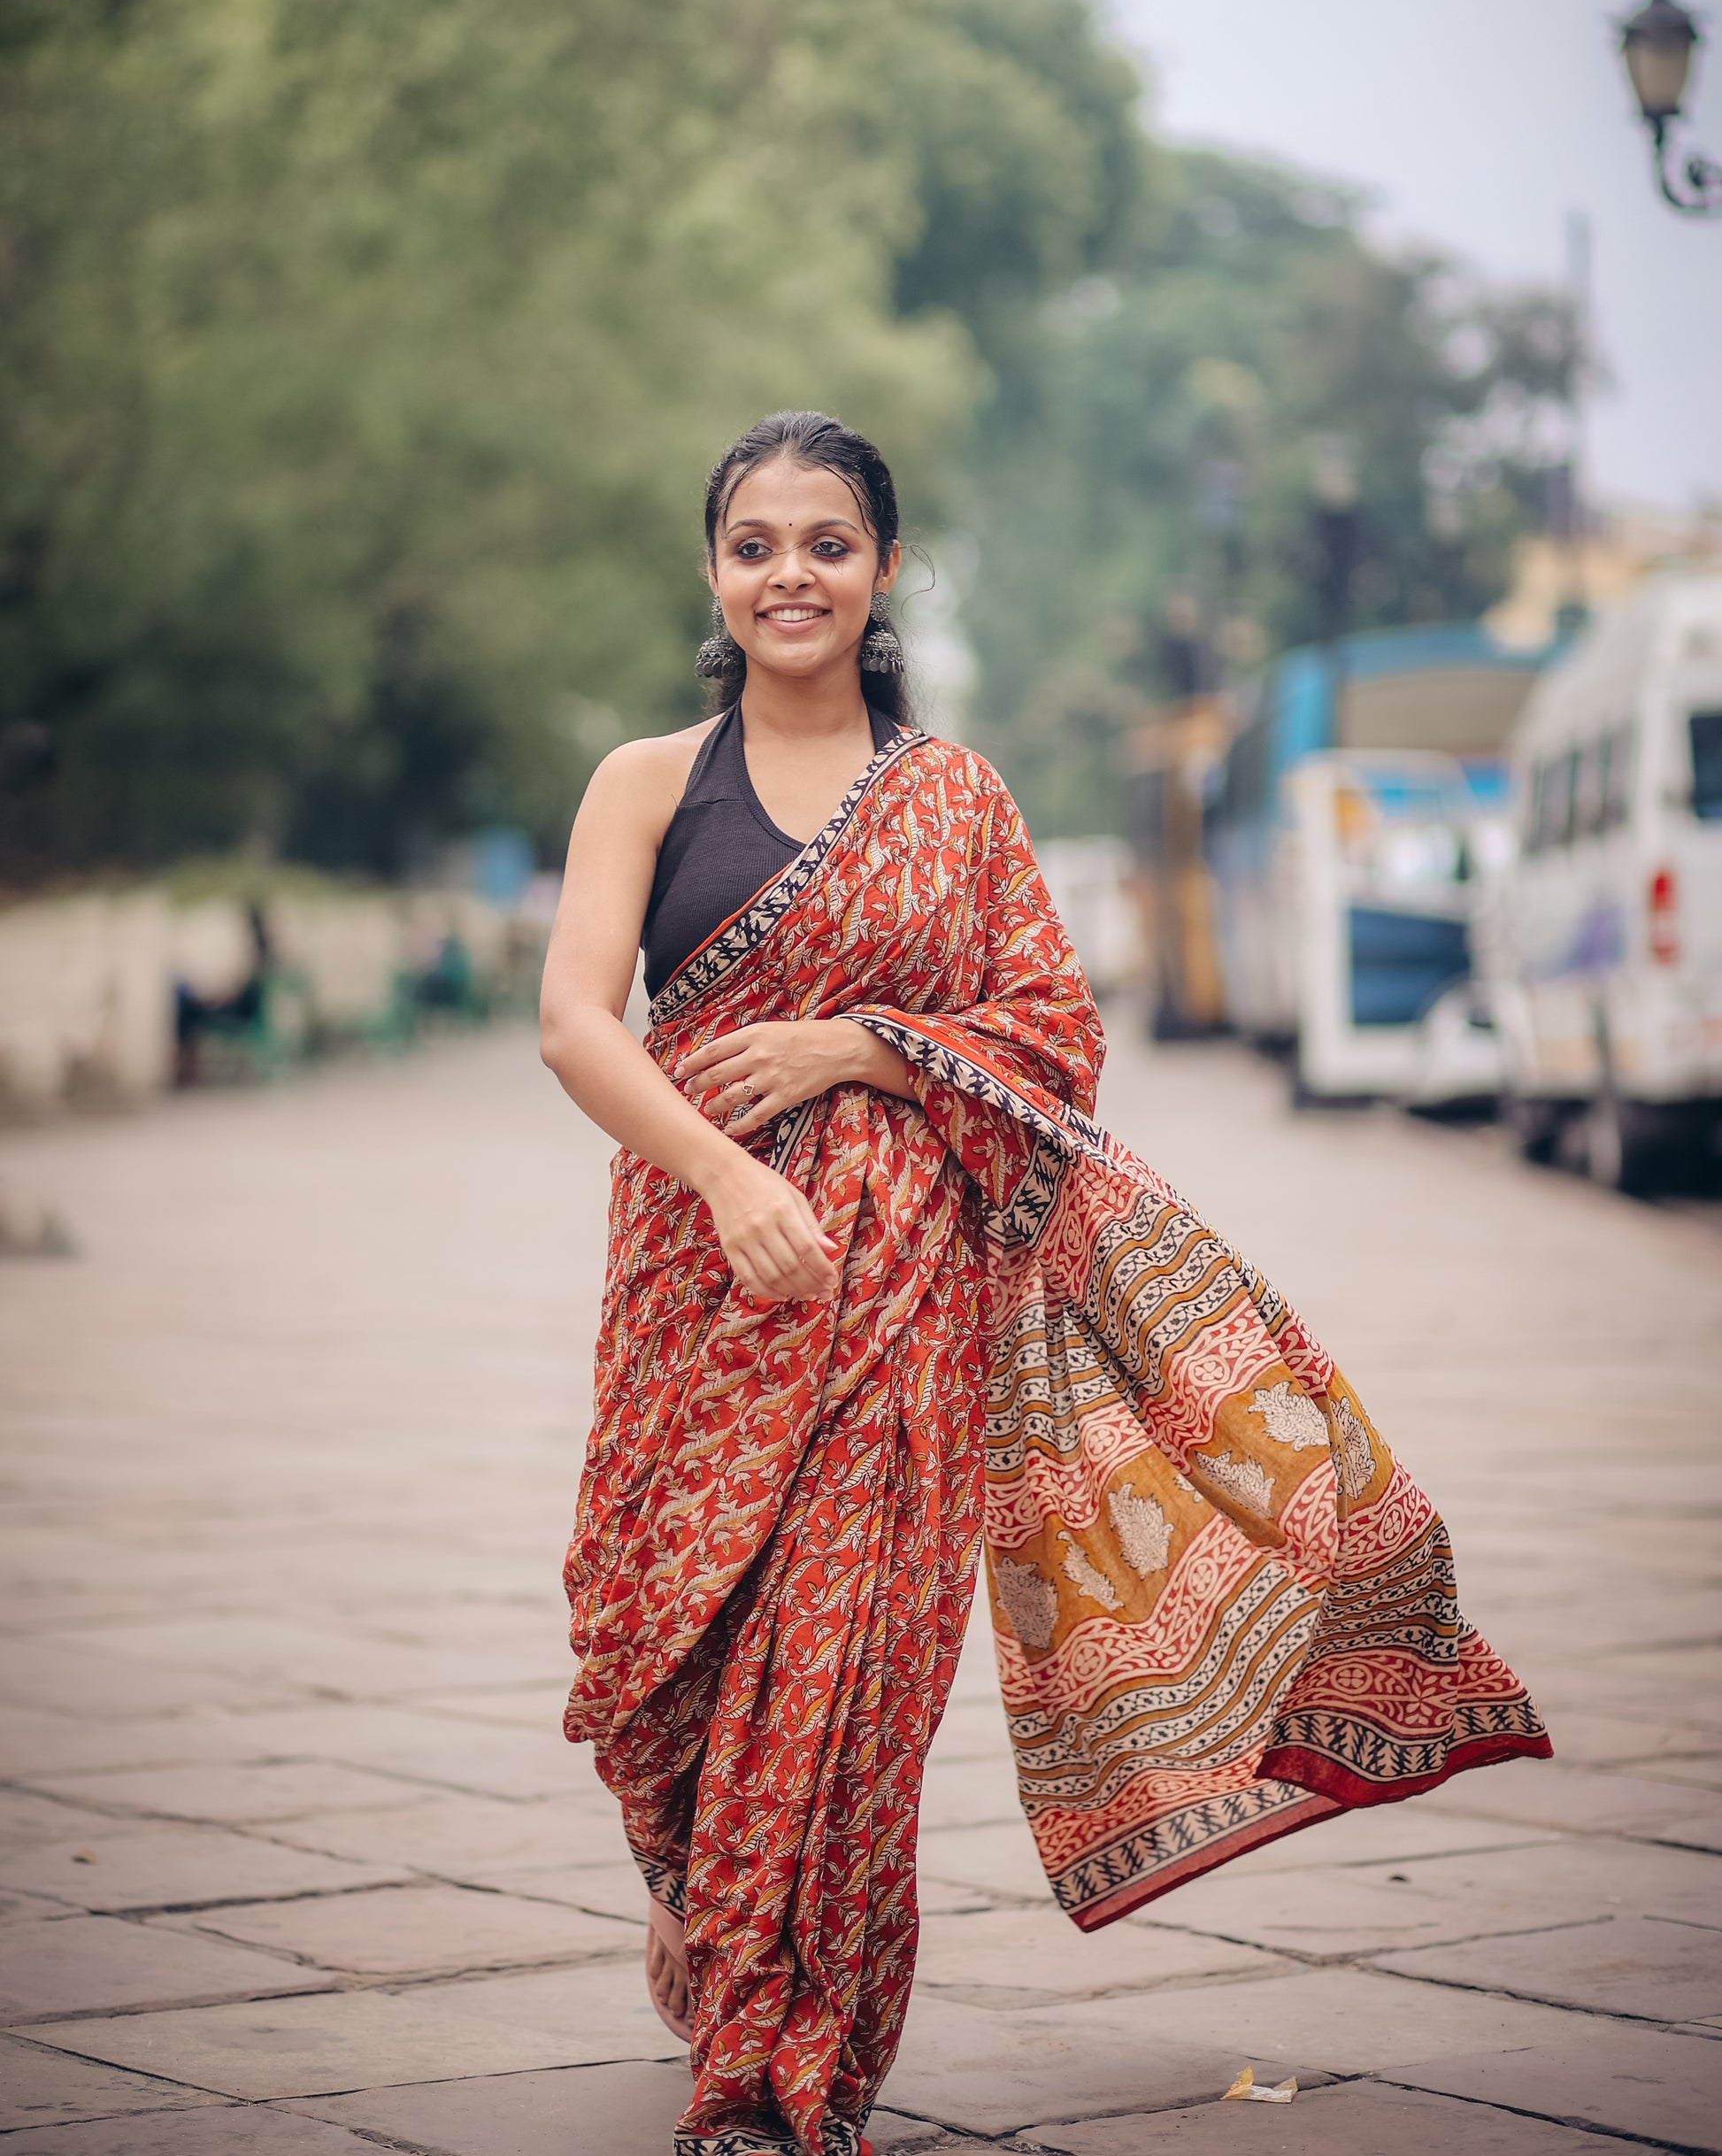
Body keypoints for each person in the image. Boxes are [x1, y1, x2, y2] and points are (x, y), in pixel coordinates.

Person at [539, 411, 1549, 2156]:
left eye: (828, 540)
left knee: (845, 1670)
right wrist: (719, 1173)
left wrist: (858, 1040)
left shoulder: (957, 796)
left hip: (902, 1303)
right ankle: (701, 1891)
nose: (793, 573)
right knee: (655, 1658)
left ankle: (777, 2071)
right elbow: (572, 1019)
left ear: (884, 570)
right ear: (713, 571)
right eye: (757, 542)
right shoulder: (646, 777)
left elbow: (1057, 1035)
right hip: (696, 1283)